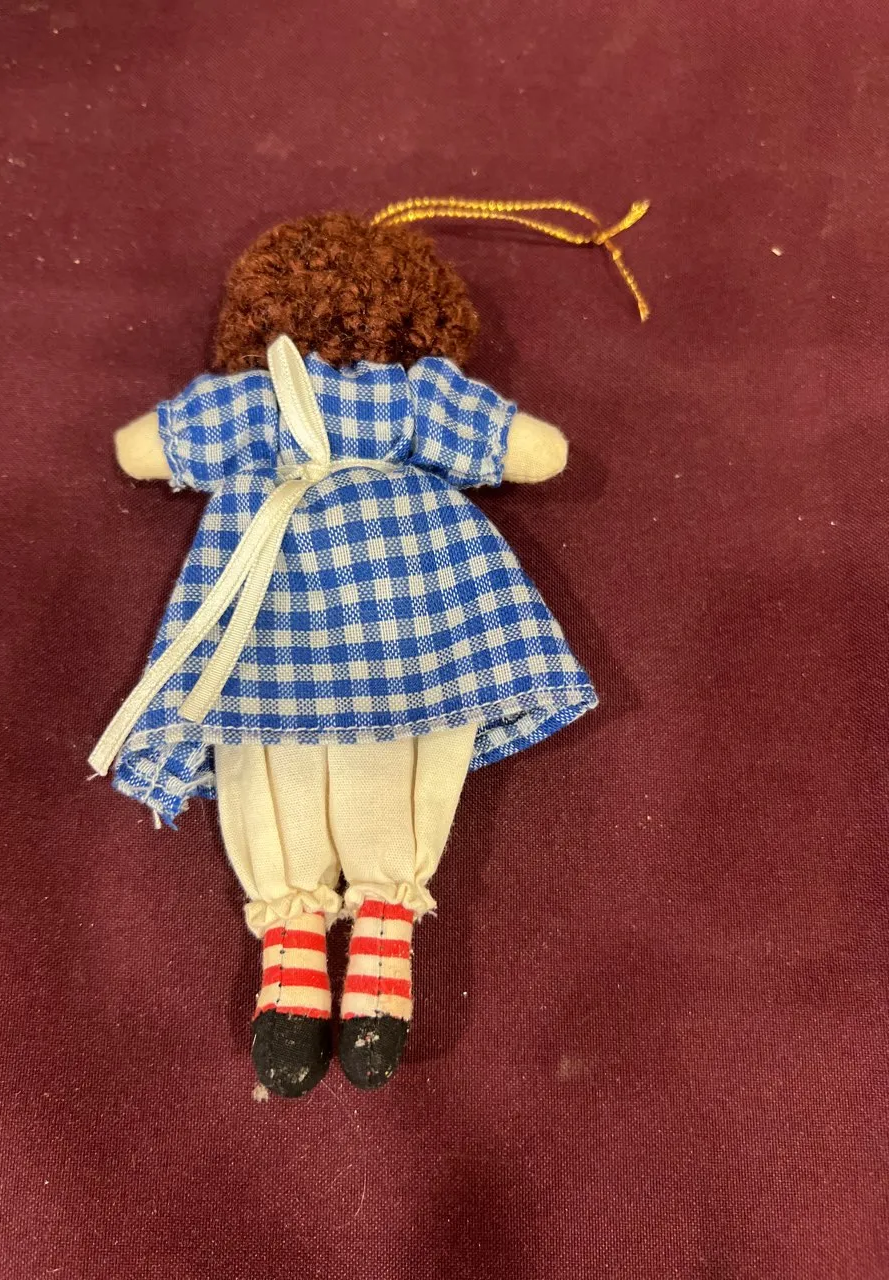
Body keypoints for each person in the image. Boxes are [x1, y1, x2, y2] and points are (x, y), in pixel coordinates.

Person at [90, 211, 597, 1096]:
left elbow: (151, 446)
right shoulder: (409, 398)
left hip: (273, 612)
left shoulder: (258, 401)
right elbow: (527, 449)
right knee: (401, 750)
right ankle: (377, 973)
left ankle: (293, 980)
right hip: (408, 601)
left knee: (271, 756)